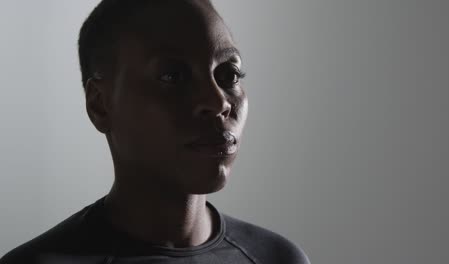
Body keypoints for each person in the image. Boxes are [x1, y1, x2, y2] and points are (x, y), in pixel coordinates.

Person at [0, 0, 310, 263]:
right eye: (174, 76)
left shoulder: (278, 258)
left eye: (229, 74)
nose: (218, 102)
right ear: (101, 105)